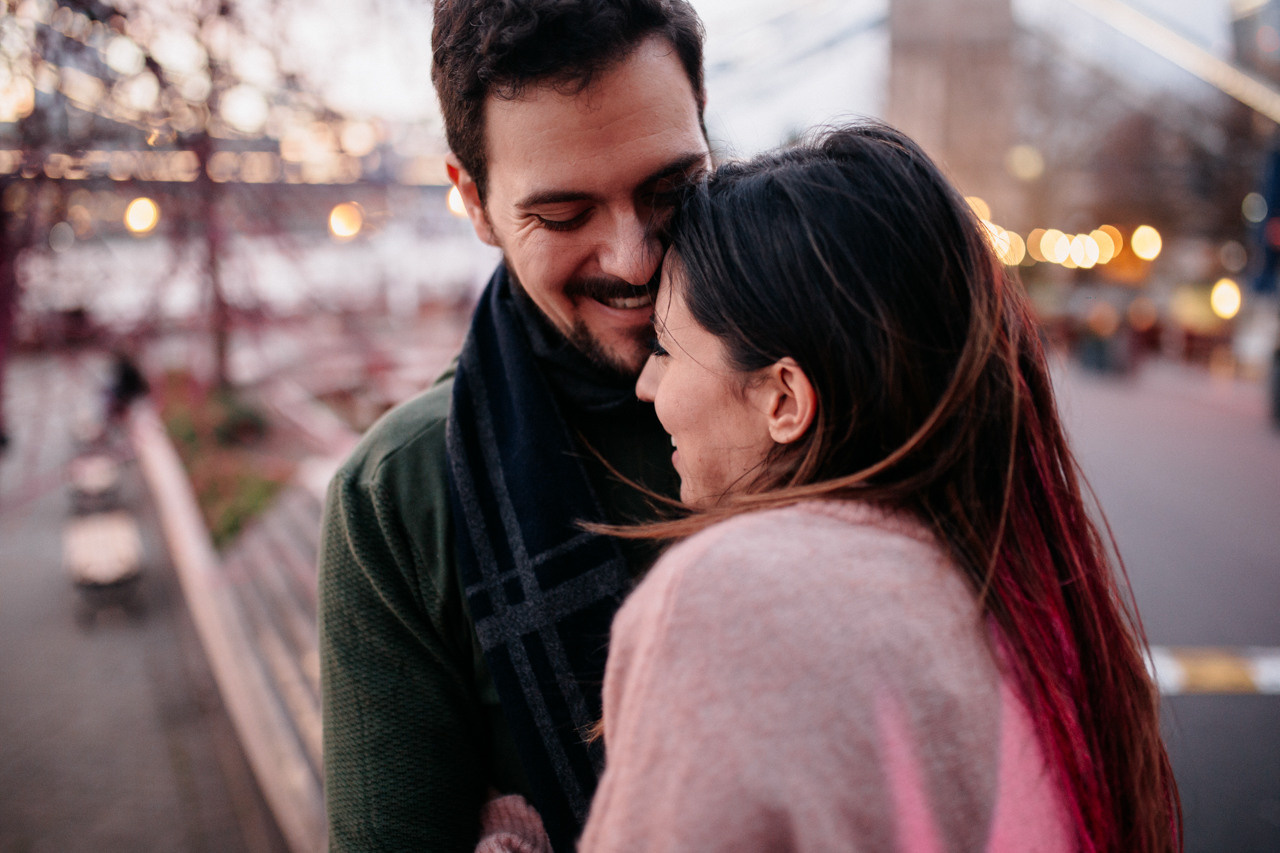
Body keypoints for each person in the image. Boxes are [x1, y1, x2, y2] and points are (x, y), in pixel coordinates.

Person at [481, 123, 1182, 851]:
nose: (647, 382)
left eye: (666, 346)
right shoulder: (1034, 597)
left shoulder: (728, 596)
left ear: (784, 397)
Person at [317, 1, 711, 850]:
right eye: (564, 216)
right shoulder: (401, 494)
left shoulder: (850, 374)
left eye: (671, 189)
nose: (634, 259)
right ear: (475, 202)